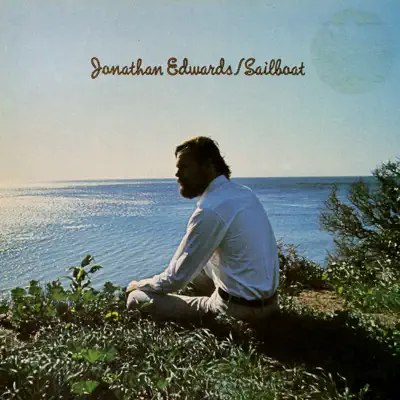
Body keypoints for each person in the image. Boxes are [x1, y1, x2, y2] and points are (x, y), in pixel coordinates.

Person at [126, 136, 280, 323]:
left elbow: (174, 280)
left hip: (238, 312)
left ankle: (207, 311)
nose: (177, 174)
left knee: (136, 299)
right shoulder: (244, 193)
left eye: (184, 167)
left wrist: (138, 285)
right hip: (271, 304)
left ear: (208, 166)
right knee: (198, 271)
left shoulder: (210, 209)